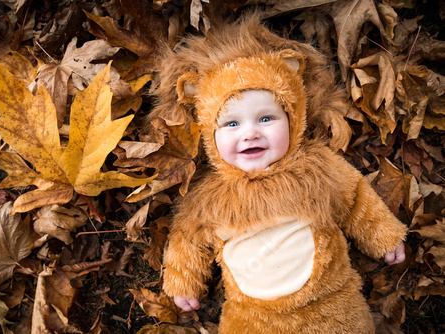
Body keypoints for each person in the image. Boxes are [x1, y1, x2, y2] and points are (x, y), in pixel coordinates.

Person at [153, 13, 407, 333]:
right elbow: (188, 239)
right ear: (209, 134)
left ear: (293, 118)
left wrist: (383, 237)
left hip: (330, 306)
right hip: (251, 318)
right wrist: (183, 283)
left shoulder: (318, 166)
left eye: (266, 119)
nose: (250, 134)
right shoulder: (208, 197)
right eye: (232, 124)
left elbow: (356, 199)